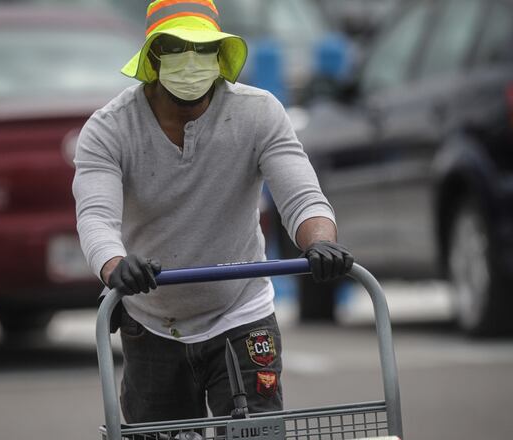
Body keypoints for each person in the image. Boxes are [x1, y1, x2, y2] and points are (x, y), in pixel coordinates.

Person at [72, 0, 354, 424]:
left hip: (241, 311)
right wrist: (115, 267)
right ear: (153, 58)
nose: (191, 62)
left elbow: (301, 196)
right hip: (151, 318)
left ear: (221, 57)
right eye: (175, 48)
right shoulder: (109, 129)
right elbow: (95, 216)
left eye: (203, 49)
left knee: (255, 434)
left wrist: (321, 244)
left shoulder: (257, 113)